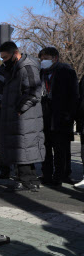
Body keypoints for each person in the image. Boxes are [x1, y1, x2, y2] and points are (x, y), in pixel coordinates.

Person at [0, 42, 45, 192]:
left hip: (25, 115)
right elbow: (8, 92)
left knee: (24, 147)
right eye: (2, 58)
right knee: (21, 148)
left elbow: (34, 91)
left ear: (15, 53)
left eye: (6, 57)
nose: (4, 61)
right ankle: (27, 179)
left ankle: (27, 180)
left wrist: (20, 109)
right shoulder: (13, 68)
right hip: (17, 115)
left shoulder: (27, 66)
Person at [38, 47, 79, 186]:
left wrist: (69, 115)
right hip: (45, 116)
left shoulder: (66, 71)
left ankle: (61, 175)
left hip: (61, 117)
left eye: (46, 58)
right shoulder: (40, 73)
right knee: (45, 148)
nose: (43, 61)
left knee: (61, 149)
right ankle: (47, 174)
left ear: (55, 58)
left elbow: (74, 95)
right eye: (41, 59)